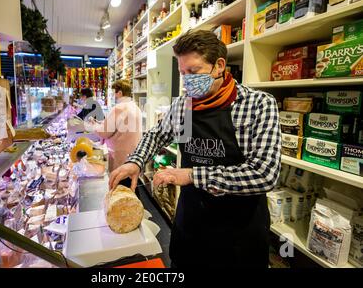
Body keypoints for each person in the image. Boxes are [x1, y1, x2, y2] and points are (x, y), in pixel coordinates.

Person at [109, 30, 281, 268]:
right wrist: (135, 161)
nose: (187, 80)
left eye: (194, 71)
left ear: (219, 66)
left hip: (240, 233)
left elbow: (264, 174)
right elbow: (157, 134)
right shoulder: (184, 106)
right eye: (182, 73)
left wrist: (191, 175)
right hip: (191, 223)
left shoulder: (258, 105)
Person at [88, 80, 142, 173]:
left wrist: (93, 125)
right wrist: (100, 123)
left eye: (113, 93)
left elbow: (104, 132)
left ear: (120, 93)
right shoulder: (135, 107)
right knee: (129, 183)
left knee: (119, 184)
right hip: (133, 155)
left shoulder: (119, 108)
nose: (113, 96)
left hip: (120, 156)